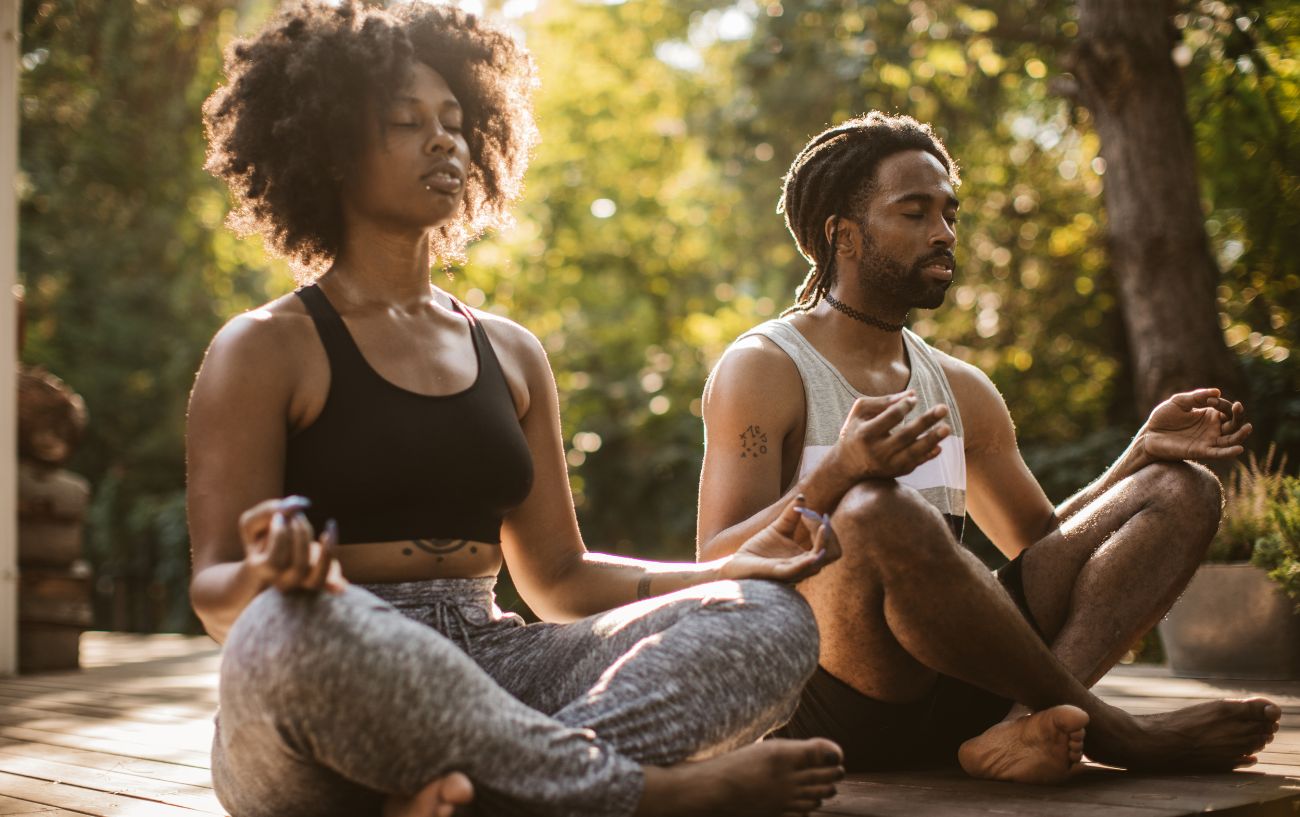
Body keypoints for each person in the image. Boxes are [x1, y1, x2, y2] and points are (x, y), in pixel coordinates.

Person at [187, 4, 846, 816]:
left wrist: (722, 573)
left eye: (457, 123)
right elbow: (217, 595)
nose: (445, 141)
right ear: (325, 148)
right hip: (332, 667)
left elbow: (560, 579)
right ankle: (636, 794)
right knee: (290, 630)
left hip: (493, 656)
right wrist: (269, 575)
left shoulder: (511, 351)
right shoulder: (263, 347)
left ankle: (498, 799)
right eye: (406, 122)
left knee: (768, 618)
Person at [696, 112, 1281, 784]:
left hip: (963, 698)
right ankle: (1114, 729)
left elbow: (1043, 545)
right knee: (872, 513)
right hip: (830, 699)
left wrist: (1138, 458)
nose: (943, 233)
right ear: (843, 235)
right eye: (915, 213)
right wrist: (840, 471)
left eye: (949, 213)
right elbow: (717, 561)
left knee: (1183, 489)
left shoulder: (962, 388)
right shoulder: (765, 368)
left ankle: (1013, 731)